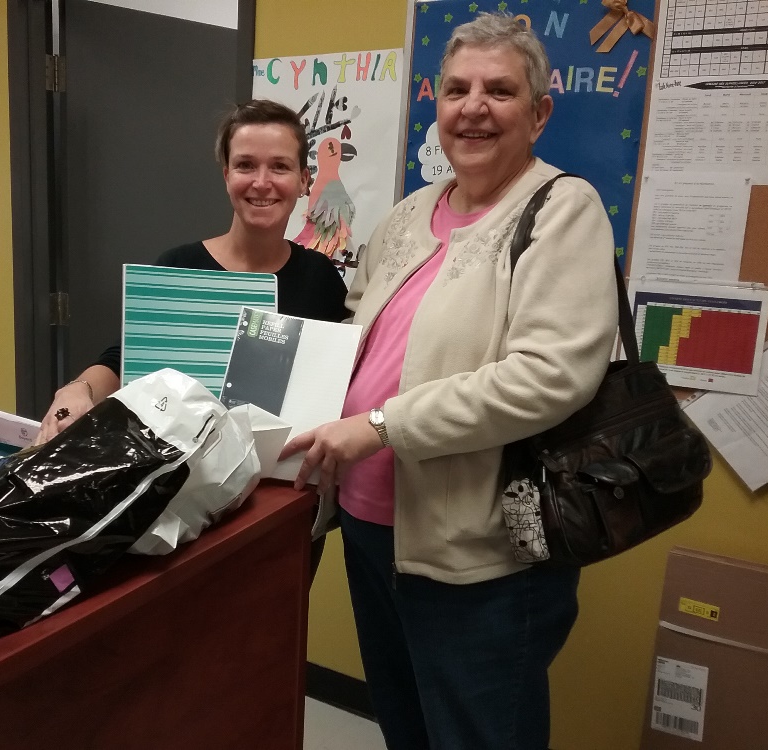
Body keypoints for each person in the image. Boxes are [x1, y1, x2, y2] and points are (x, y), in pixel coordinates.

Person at [280, 14, 618, 750]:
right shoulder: (408, 214)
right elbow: (354, 328)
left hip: (481, 554)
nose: (474, 107)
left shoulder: (563, 212)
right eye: (458, 88)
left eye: (500, 90)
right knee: (405, 726)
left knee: (478, 735)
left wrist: (377, 426)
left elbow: (548, 377)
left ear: (539, 113)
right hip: (372, 530)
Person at [34, 99, 348, 572]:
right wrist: (77, 389)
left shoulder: (323, 280)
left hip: (280, 509)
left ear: (304, 180)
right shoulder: (178, 267)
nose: (261, 182)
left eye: (279, 167)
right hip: (180, 509)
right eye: (245, 165)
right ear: (226, 174)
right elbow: (123, 358)